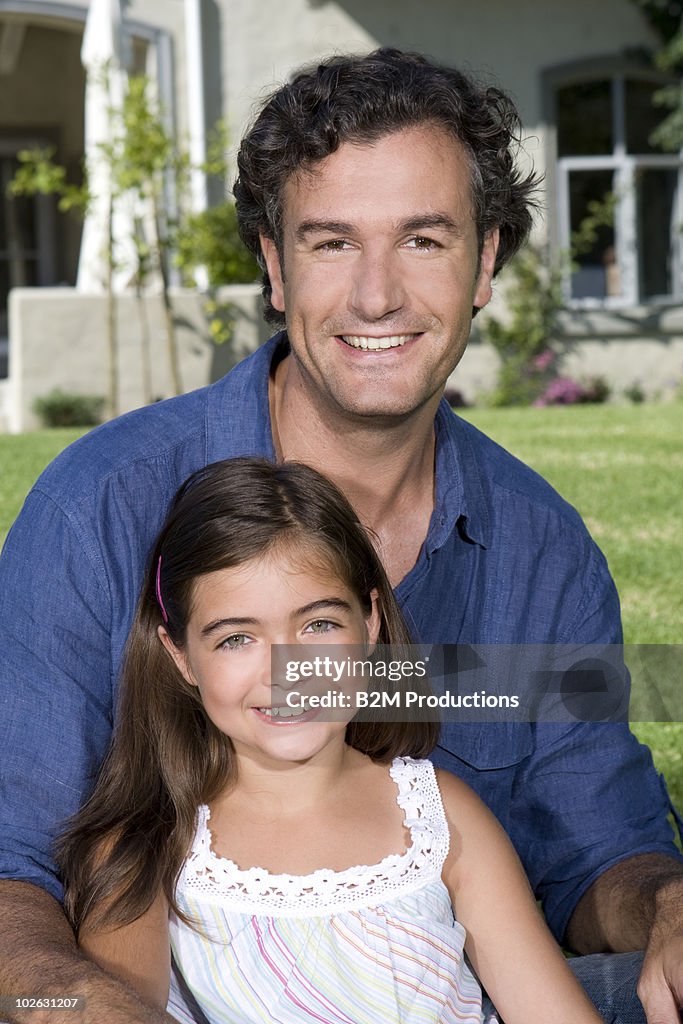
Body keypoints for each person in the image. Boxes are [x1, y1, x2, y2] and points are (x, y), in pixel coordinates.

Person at [0, 47, 681, 1024]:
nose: (375, 296)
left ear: (484, 259)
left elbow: (598, 848)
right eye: (329, 243)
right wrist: (93, 1006)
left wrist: (663, 904)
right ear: (274, 266)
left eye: (422, 240)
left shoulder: (541, 548)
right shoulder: (100, 506)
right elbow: (8, 859)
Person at [57, 456, 603, 1024]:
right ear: (181, 657)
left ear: (369, 624)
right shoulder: (146, 847)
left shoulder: (439, 816)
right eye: (237, 638)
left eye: (318, 625)